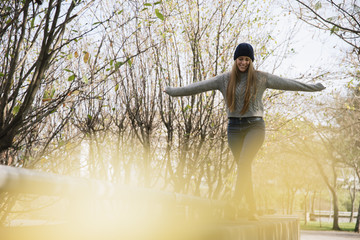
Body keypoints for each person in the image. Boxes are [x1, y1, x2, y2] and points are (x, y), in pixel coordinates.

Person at [164, 43, 325, 220]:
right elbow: (198, 87)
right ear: (235, 60)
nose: (243, 63)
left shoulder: (261, 78)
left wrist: (314, 87)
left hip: (255, 127)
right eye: (240, 59)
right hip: (234, 128)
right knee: (244, 168)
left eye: (247, 59)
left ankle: (233, 206)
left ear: (251, 61)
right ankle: (252, 210)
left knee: (243, 163)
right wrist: (173, 92)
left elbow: (288, 83)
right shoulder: (224, 80)